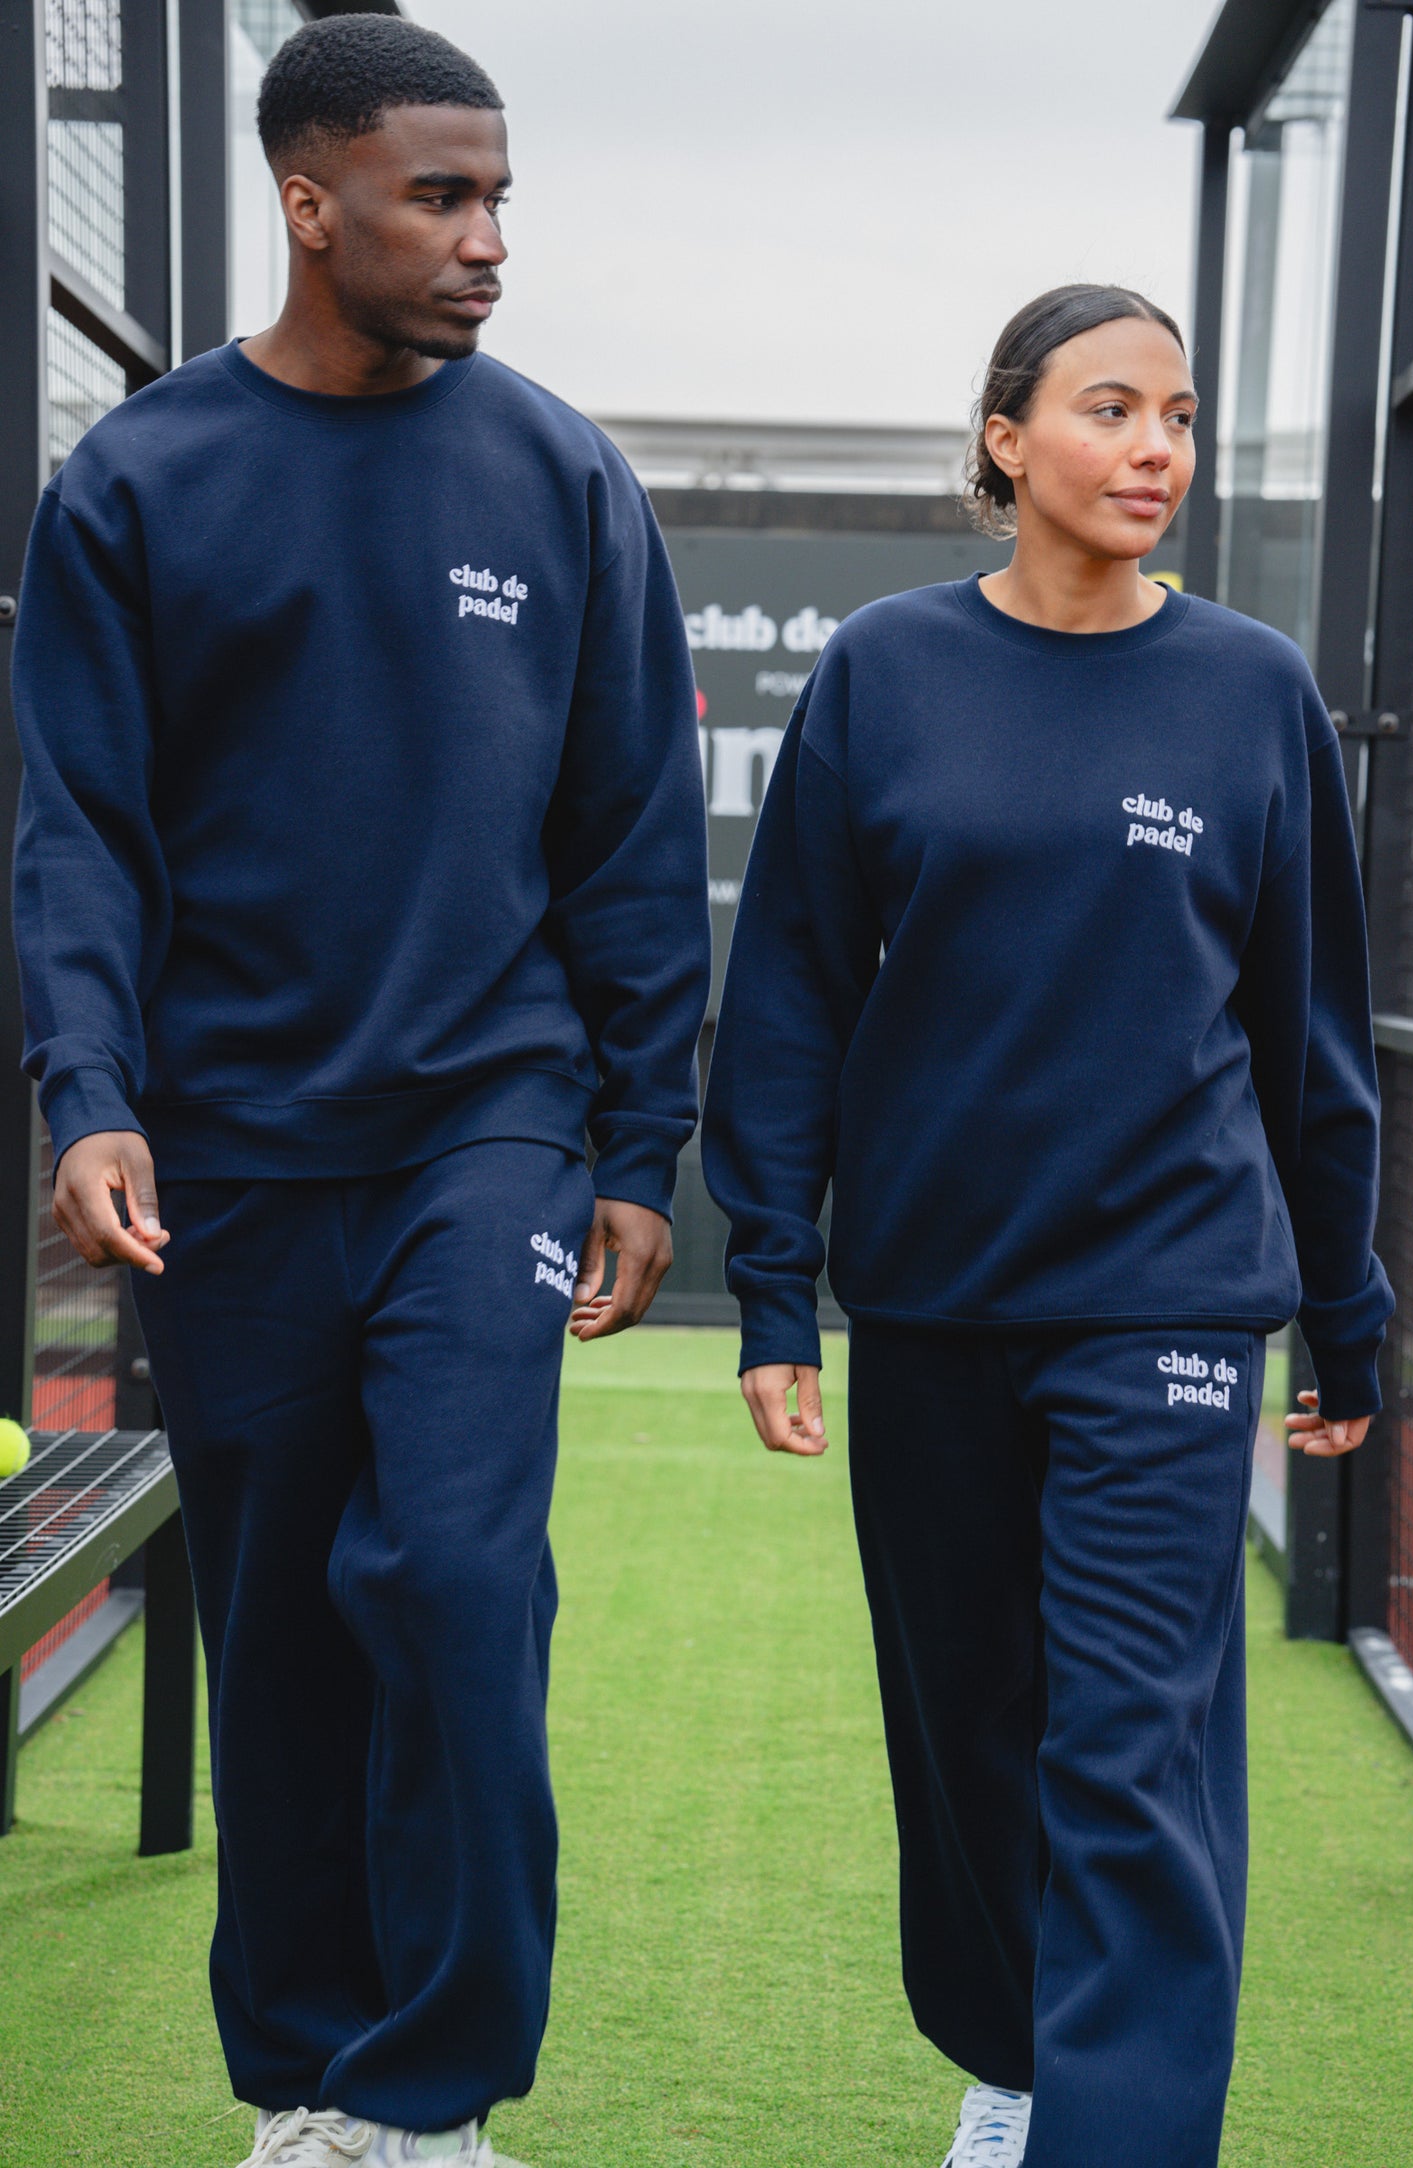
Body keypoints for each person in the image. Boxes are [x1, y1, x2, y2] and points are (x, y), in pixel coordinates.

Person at [11, 16, 708, 2168]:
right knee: (284, 1622)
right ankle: (310, 2085)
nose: (489, 239)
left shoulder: (562, 476)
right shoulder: (139, 481)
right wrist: (89, 1090)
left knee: (459, 1586)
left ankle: (434, 2097)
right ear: (311, 202)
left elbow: (630, 837)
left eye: (500, 197)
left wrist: (637, 1140)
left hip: (486, 1127)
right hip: (224, 1150)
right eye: (443, 196)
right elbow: (76, 833)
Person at [700, 284, 1391, 2168]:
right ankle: (1014, 2067)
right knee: (968, 1727)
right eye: (1109, 408)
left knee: (1128, 1742)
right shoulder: (883, 670)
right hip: (932, 1303)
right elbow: (791, 998)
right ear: (1004, 441)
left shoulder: (1251, 689)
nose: (1155, 448)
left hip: (1167, 1299)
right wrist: (770, 1289)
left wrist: (1344, 1306)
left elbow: (1310, 1037)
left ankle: (1118, 2139)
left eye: (1178, 415)